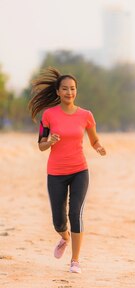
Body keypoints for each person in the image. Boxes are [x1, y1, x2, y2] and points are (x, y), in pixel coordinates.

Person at [28, 67, 107, 273]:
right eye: (65, 89)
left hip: (80, 170)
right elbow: (41, 145)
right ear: (57, 92)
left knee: (75, 213)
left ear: (76, 91)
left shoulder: (86, 115)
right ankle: (64, 237)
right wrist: (50, 141)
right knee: (58, 220)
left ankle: (75, 260)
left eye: (72, 89)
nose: (69, 92)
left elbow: (94, 139)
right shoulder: (49, 115)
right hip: (55, 172)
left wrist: (98, 146)